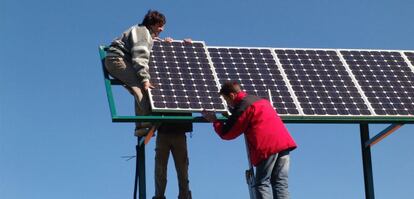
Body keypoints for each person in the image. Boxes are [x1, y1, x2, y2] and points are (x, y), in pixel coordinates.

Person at [202, 81, 297, 199]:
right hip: (283, 144)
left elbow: (227, 133)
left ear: (232, 95)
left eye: (227, 100)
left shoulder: (243, 107)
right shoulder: (259, 100)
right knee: (280, 183)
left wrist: (215, 121)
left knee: (262, 183)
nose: (228, 104)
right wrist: (232, 115)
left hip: (267, 147)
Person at [105, 10, 175, 136]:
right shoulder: (143, 33)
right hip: (117, 60)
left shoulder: (143, 32)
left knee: (137, 89)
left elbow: (148, 43)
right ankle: (147, 122)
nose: (162, 29)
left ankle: (141, 126)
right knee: (140, 87)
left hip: (117, 59)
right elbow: (140, 57)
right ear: (151, 24)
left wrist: (165, 42)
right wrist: (145, 79)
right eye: (160, 25)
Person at [153, 113, 193, 199]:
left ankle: (184, 195)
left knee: (182, 169)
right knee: (160, 168)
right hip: (163, 132)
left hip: (179, 132)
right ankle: (159, 196)